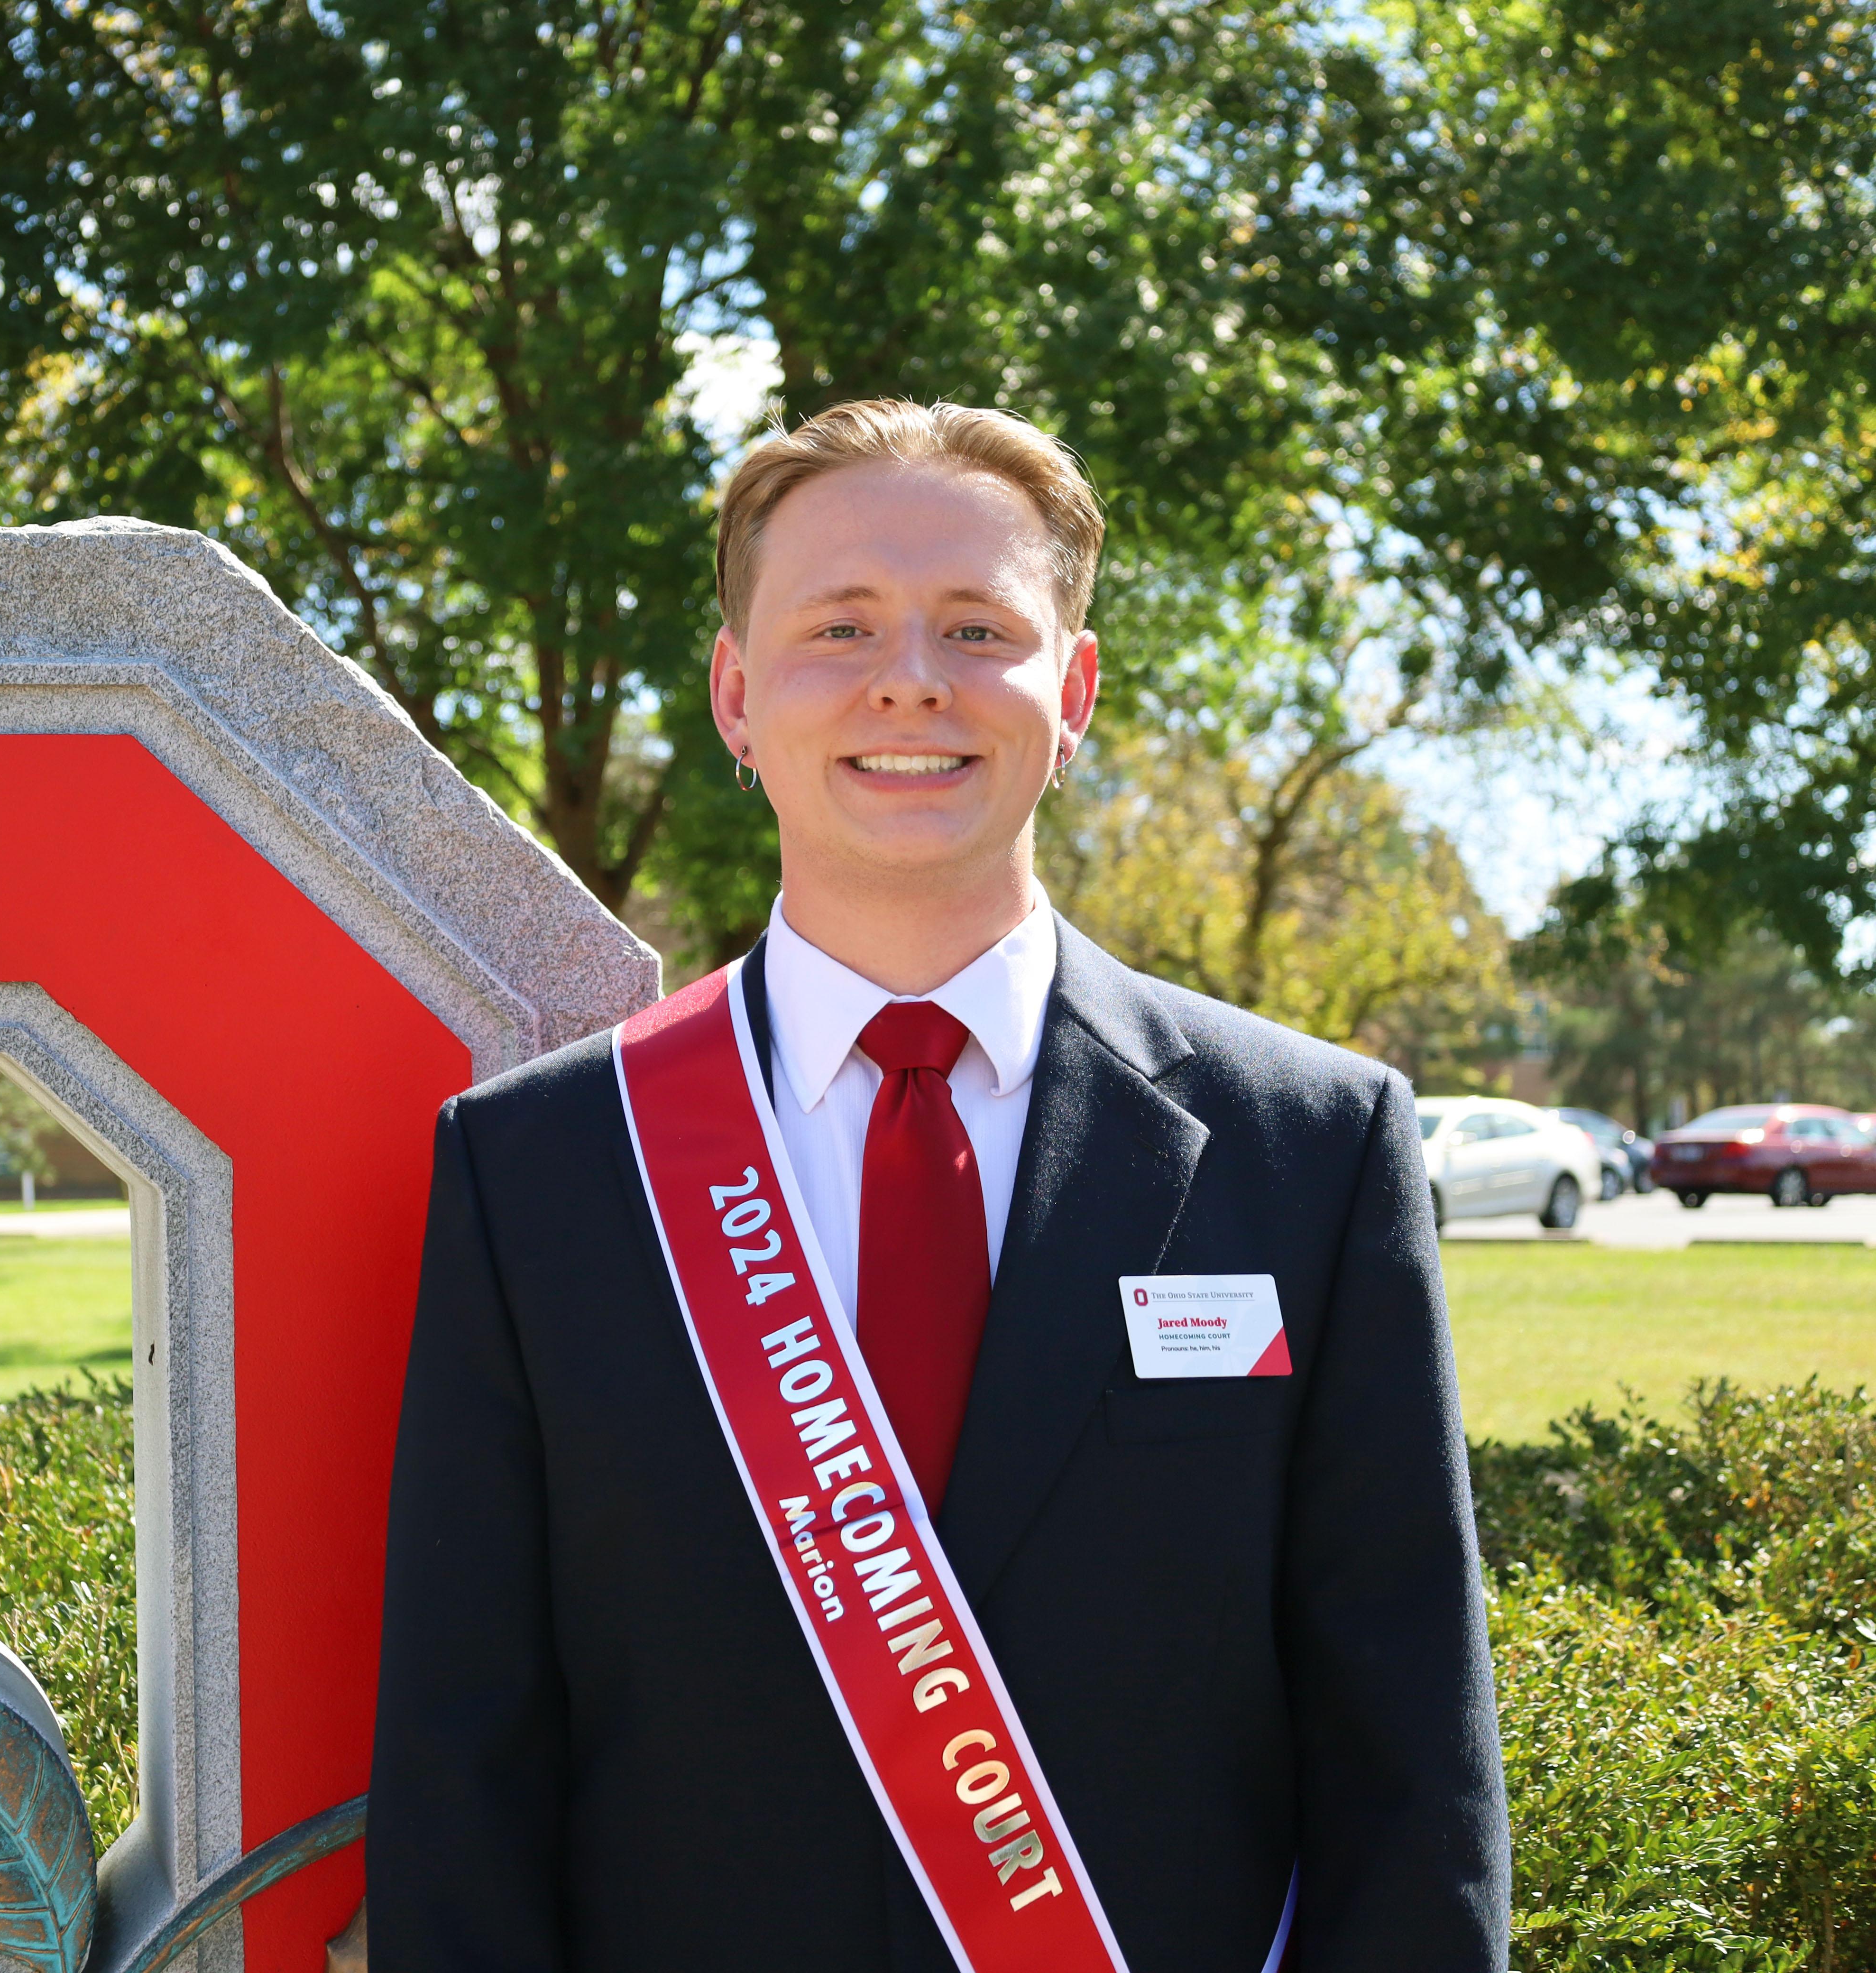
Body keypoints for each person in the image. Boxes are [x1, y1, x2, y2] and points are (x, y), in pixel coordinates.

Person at [365, 399, 1509, 1972]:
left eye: (979, 626)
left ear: (1076, 690)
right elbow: (463, 1762)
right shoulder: (540, 1170)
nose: (911, 675)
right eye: (840, 627)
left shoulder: (1309, 1147)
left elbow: (1410, 1765)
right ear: (738, 696)